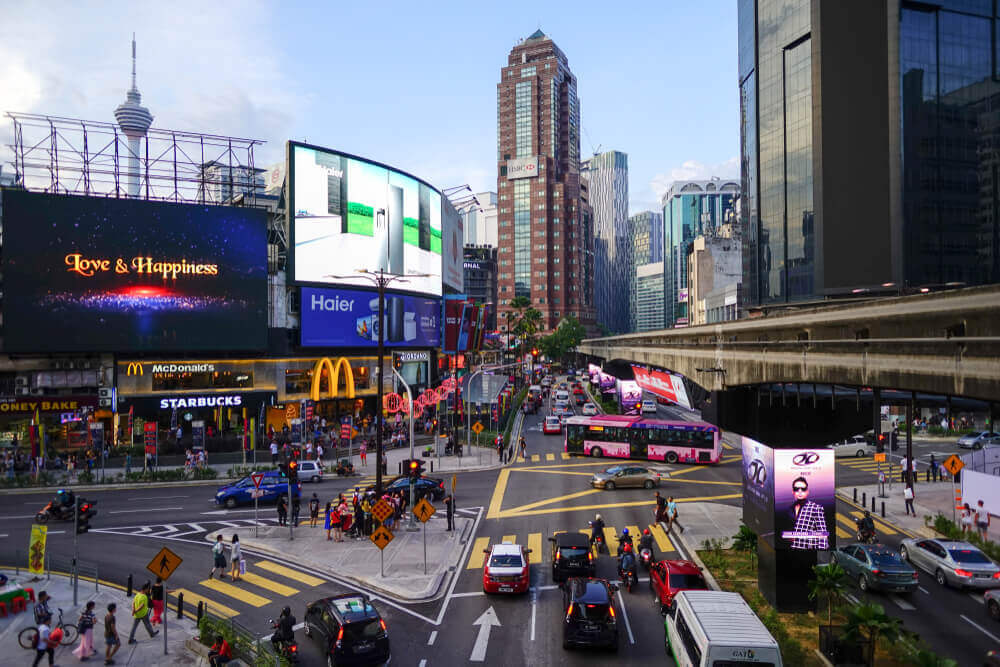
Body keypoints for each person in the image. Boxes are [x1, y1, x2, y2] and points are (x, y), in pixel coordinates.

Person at [785, 476, 829, 549]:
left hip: (809, 548)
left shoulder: (815, 508)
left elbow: (823, 534)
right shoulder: (789, 509)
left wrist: (822, 549)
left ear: (807, 491)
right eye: (796, 489)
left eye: (803, 489)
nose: (800, 491)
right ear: (793, 492)